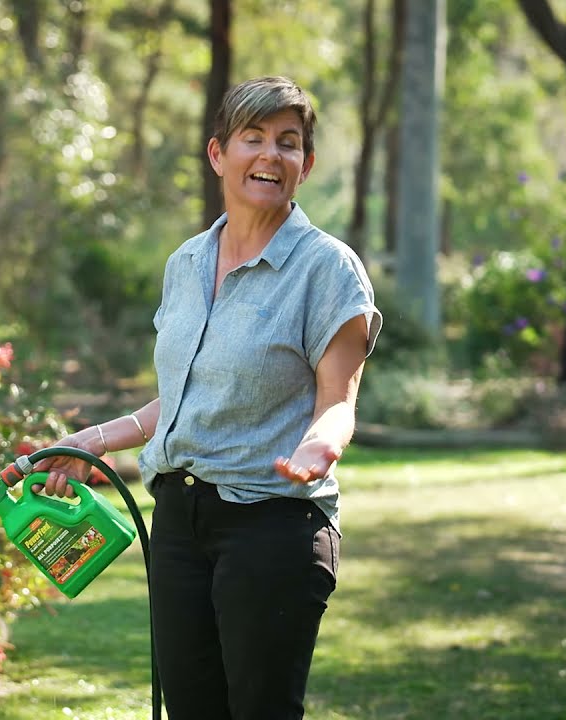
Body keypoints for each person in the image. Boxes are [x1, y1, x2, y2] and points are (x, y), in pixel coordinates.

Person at [33, 76, 382, 719]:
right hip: (178, 526)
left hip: (272, 524)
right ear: (219, 154)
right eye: (254, 139)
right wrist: (91, 442)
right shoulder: (186, 264)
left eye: (289, 142)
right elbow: (184, 398)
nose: (271, 156)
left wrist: (317, 445)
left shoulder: (327, 269)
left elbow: (338, 399)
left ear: (306, 165)